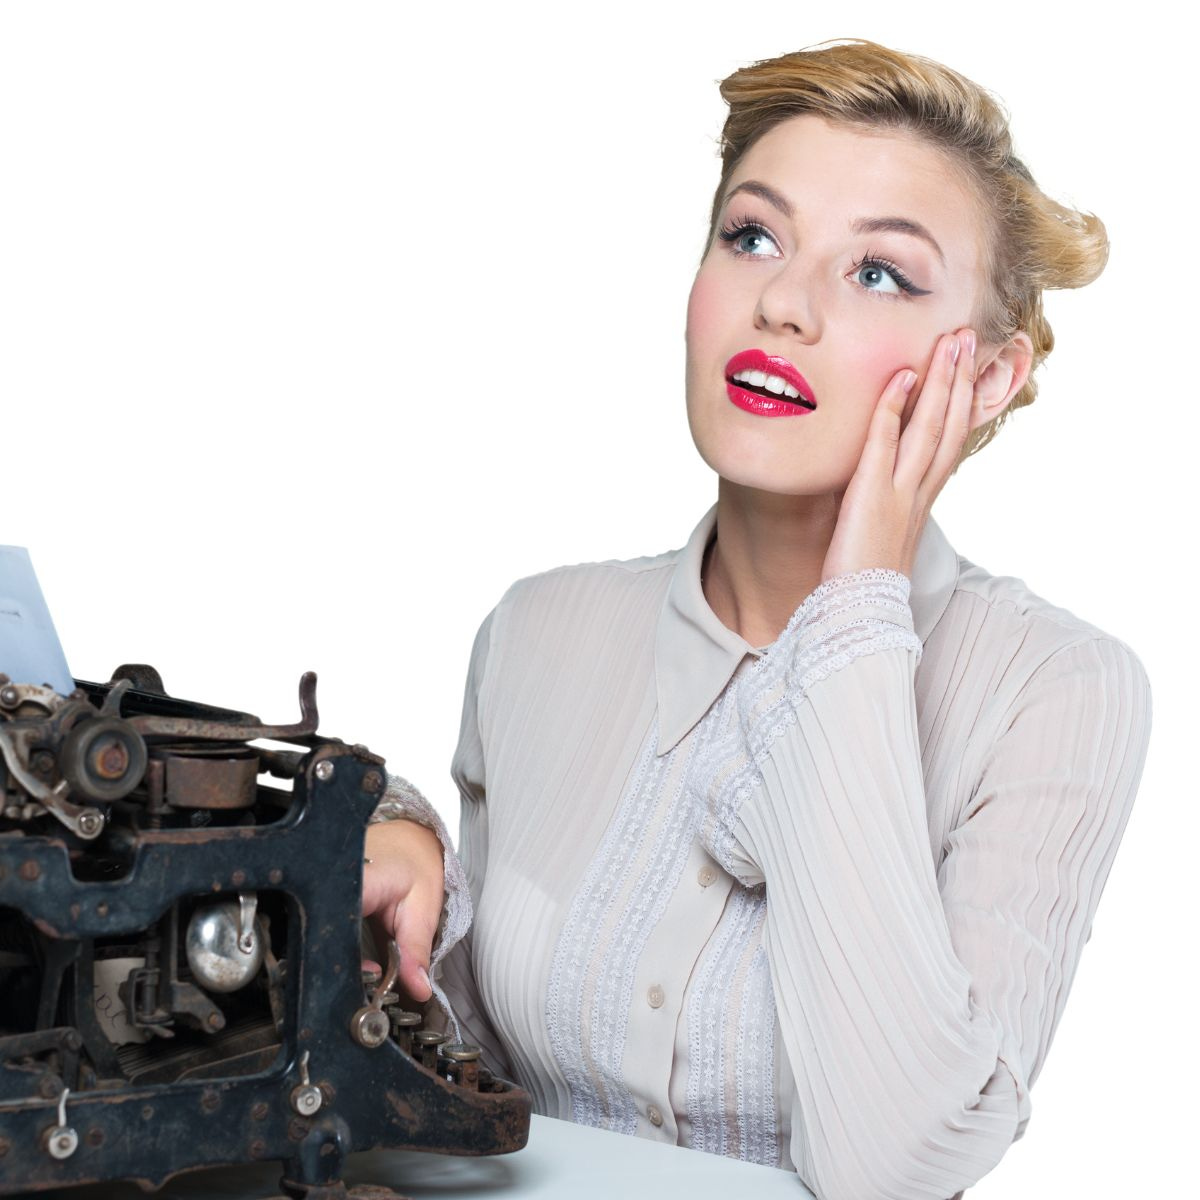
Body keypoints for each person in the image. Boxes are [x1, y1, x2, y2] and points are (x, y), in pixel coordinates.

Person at [360, 40, 1152, 1200]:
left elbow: (895, 1166)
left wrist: (858, 612)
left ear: (983, 378)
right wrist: (398, 847)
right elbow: (464, 1081)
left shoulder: (1054, 691)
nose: (781, 303)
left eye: (878, 272)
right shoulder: (538, 630)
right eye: (752, 237)